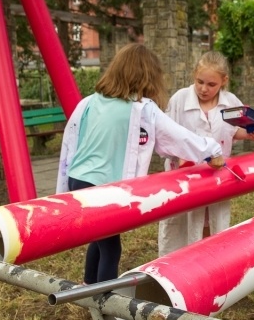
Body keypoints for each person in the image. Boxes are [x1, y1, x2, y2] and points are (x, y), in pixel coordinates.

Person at [57, 43, 224, 285]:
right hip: (102, 187)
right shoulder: (142, 109)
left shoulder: (90, 101)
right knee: (111, 248)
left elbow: (70, 142)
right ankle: (105, 303)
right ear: (147, 77)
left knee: (100, 237)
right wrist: (212, 150)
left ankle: (88, 286)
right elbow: (178, 137)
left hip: (78, 179)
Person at [157, 51, 254, 256]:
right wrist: (179, 156)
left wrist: (249, 132)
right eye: (200, 82)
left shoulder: (231, 102)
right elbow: (165, 135)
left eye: (211, 85)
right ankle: (178, 269)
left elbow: (233, 131)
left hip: (217, 177)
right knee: (181, 228)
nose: (204, 89)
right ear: (194, 76)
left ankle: (209, 265)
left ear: (224, 81)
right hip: (183, 178)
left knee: (211, 223)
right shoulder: (179, 100)